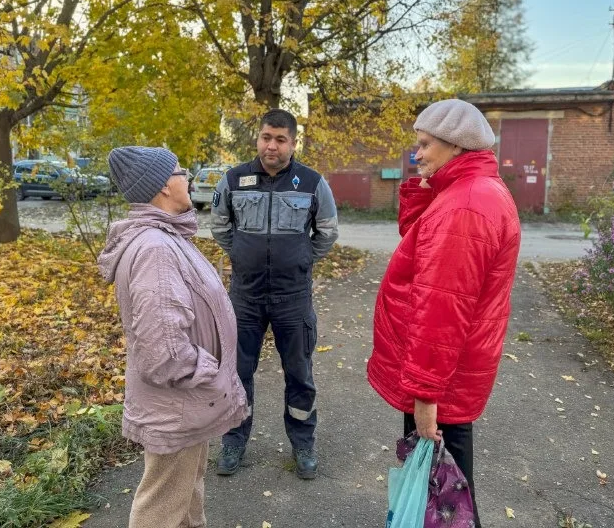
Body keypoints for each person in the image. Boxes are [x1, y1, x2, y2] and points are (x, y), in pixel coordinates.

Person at [367, 99, 521, 528]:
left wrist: (425, 397)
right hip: (448, 371)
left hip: (442, 376)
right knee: (444, 491)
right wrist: (424, 188)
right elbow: (418, 240)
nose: (416, 154)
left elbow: (441, 310)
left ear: (455, 145)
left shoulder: (465, 206)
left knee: (448, 494)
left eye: (424, 144)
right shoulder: (465, 191)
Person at [97, 146, 248, 528]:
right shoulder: (156, 249)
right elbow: (162, 350)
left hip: (187, 401)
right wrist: (207, 371)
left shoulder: (167, 238)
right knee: (161, 507)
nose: (188, 179)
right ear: (164, 185)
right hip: (179, 402)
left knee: (184, 492)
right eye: (182, 172)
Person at [211, 108, 339, 480]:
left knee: (299, 373)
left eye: (281, 140)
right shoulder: (234, 180)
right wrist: (240, 254)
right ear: (258, 139)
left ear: (293, 143)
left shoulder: (312, 183)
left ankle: (303, 443)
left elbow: (327, 232)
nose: (272, 146)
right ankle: (233, 441)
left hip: (293, 298)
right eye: (266, 137)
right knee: (237, 373)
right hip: (245, 298)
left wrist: (301, 259)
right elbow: (219, 226)